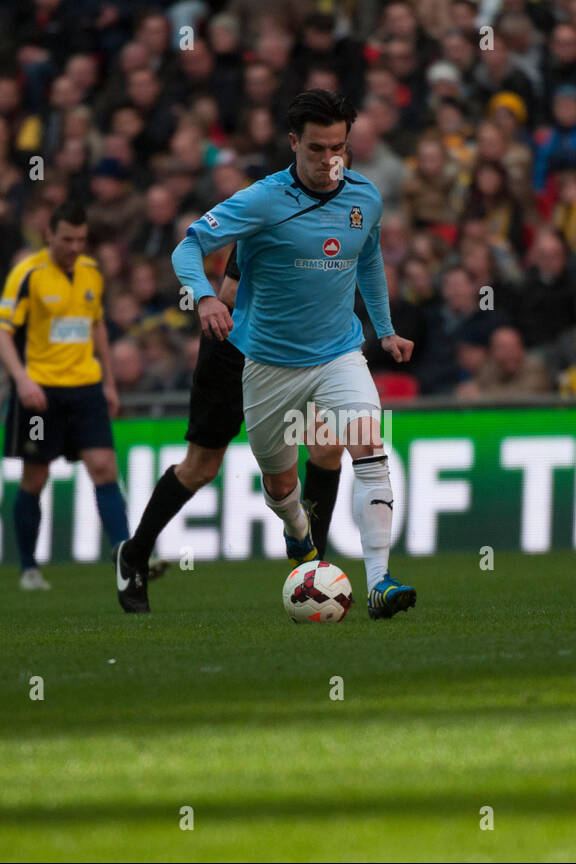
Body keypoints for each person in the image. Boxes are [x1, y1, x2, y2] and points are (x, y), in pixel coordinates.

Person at [170, 89, 418, 620]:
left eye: (339, 148)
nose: (330, 160)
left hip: (339, 354)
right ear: (292, 143)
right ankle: (298, 533)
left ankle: (379, 581)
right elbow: (188, 245)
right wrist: (207, 296)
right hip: (267, 364)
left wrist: (386, 329)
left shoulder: (365, 198)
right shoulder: (261, 200)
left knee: (369, 448)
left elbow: (369, 259)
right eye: (316, 148)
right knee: (283, 484)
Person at [112, 241, 346, 614]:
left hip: (292, 355)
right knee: (200, 468)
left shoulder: (335, 223)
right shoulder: (269, 216)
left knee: (328, 446)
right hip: (232, 354)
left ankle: (312, 571)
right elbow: (230, 293)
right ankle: (134, 553)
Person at [0, 201, 127, 592]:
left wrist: (109, 382)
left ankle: (125, 555)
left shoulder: (90, 273)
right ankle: (29, 568)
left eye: (80, 240)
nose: (73, 247)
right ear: (49, 234)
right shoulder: (27, 273)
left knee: (104, 467)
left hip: (85, 387)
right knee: (36, 475)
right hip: (41, 391)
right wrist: (21, 380)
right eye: (66, 239)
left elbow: (96, 325)